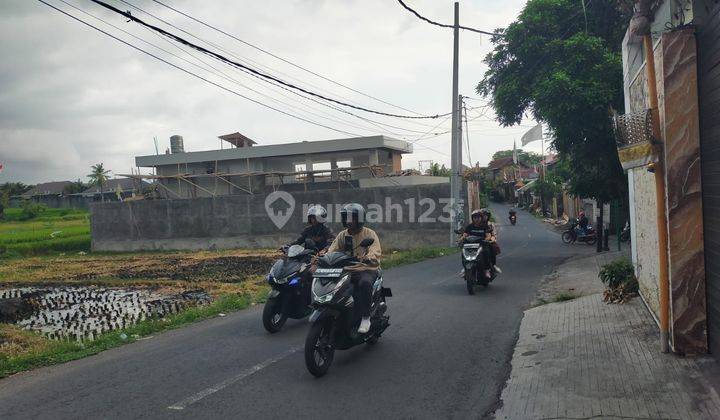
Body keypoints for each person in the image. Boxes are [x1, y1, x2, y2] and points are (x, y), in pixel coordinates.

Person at [326, 203, 381, 334]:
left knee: (365, 283)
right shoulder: (342, 235)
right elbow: (332, 251)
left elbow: (376, 251)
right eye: (347, 218)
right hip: (347, 269)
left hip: (366, 269)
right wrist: (325, 259)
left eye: (353, 218)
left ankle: (366, 317)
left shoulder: (369, 233)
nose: (349, 221)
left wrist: (367, 257)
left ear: (360, 219)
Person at [460, 208, 501, 279]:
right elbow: (465, 234)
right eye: (475, 217)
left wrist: (486, 240)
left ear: (481, 218)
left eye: (478, 217)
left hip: (481, 245)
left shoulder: (485, 226)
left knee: (486, 252)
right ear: (472, 218)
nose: (477, 219)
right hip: (470, 245)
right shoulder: (470, 226)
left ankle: (487, 270)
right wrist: (461, 239)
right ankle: (465, 269)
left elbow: (488, 235)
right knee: (463, 254)